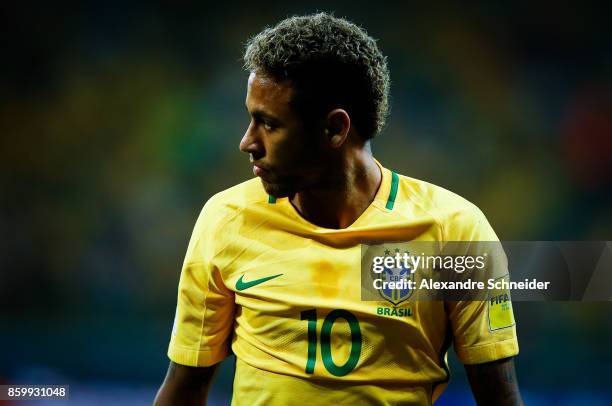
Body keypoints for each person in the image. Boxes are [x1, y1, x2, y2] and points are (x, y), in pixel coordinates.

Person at [154, 13, 522, 406]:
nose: (248, 142)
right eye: (251, 119)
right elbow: (184, 387)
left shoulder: (455, 232)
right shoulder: (225, 219)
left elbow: (499, 397)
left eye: (269, 124)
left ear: (334, 129)